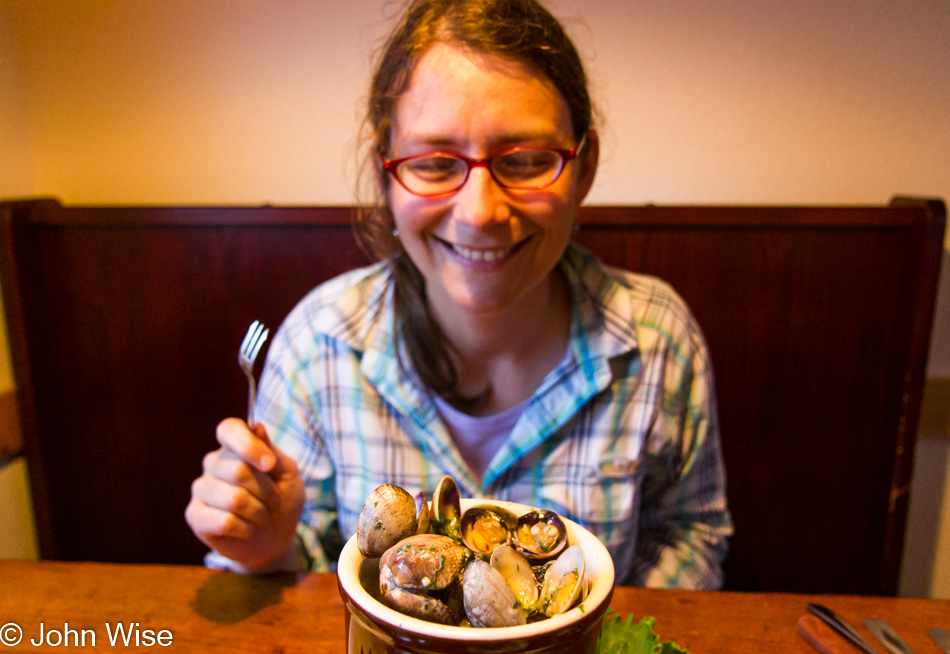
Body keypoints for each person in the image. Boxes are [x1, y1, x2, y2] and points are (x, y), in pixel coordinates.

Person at [185, 0, 732, 589]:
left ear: (584, 168)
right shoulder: (317, 344)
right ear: (386, 175)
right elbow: (294, 575)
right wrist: (265, 548)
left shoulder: (656, 339)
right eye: (435, 163)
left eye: (524, 160)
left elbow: (690, 536)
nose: (479, 213)